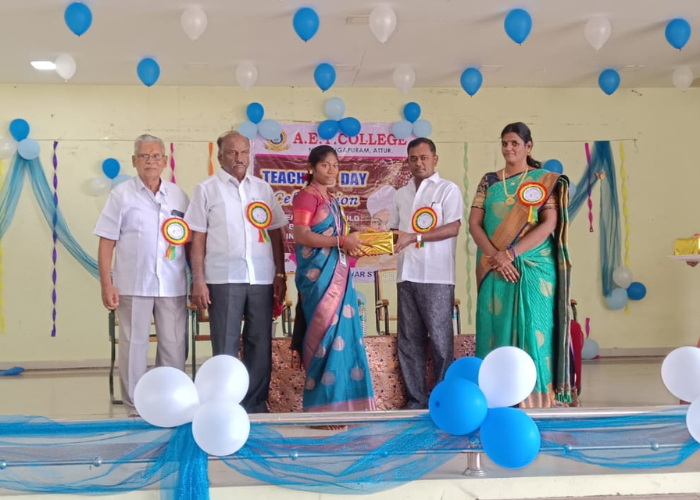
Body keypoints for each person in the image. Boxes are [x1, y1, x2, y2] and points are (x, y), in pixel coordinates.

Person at [469, 122, 575, 408]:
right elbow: (474, 224)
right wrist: (497, 256)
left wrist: (512, 253)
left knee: (535, 327)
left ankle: (538, 395)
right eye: (504, 143)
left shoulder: (542, 180)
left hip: (534, 266)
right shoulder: (489, 181)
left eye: (515, 143)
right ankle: (497, 393)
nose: (508, 148)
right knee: (494, 324)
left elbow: (549, 223)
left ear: (528, 146)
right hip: (493, 265)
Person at [186, 131, 287, 414]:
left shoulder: (262, 189)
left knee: (260, 342)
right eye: (232, 153)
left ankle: (255, 404)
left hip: (261, 278)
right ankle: (224, 403)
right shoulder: (206, 189)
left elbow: (276, 233)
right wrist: (198, 280)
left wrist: (280, 275)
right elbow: (197, 238)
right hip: (223, 278)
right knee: (225, 343)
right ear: (220, 156)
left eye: (243, 152)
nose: (238, 158)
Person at [94, 134, 190, 417]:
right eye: (145, 156)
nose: (151, 161)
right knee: (134, 347)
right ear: (134, 161)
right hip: (133, 284)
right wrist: (107, 284)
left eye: (156, 156)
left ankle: (169, 402)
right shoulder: (121, 195)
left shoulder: (178, 195)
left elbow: (191, 240)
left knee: (173, 347)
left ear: (165, 161)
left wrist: (198, 280)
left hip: (172, 285)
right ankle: (136, 408)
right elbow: (106, 241)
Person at [291, 145, 376, 412]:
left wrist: (356, 241)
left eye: (336, 165)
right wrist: (341, 241)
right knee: (325, 337)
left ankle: (349, 404)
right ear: (311, 168)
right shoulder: (306, 197)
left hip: (340, 276)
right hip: (317, 280)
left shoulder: (331, 200)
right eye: (325, 165)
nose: (331, 170)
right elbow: (302, 235)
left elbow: (340, 240)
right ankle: (323, 407)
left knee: (346, 336)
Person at [389, 137, 463, 410]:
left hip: (437, 276)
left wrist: (415, 236)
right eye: (413, 159)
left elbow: (453, 227)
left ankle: (444, 400)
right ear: (408, 162)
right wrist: (373, 240)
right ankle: (416, 399)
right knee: (409, 341)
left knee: (441, 342)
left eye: (423, 157)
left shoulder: (447, 189)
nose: (418, 163)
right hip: (406, 275)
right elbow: (394, 231)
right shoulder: (401, 194)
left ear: (434, 159)